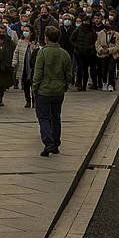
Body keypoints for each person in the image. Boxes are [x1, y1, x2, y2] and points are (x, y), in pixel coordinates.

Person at [32, 25, 73, 157]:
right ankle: (56, 143)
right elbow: (69, 74)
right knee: (56, 117)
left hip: (44, 91)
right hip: (58, 91)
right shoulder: (64, 53)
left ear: (46, 38)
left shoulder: (42, 52)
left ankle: (48, 142)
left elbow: (38, 73)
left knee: (43, 117)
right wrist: (64, 86)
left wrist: (35, 88)